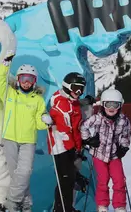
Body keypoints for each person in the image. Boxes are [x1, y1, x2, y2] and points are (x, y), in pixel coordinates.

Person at [0, 53, 50, 212]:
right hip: (9, 138)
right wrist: (5, 65)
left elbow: (39, 123)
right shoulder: (9, 93)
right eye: (23, 78)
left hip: (28, 141)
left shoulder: (37, 100)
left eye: (30, 79)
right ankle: (25, 206)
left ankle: (11, 204)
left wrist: (45, 120)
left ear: (34, 81)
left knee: (24, 173)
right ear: (18, 79)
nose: (26, 82)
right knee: (15, 176)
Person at [81, 89, 131, 212]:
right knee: (102, 181)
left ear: (120, 105)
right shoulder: (97, 118)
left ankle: (119, 206)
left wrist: (124, 147)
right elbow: (84, 127)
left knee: (119, 180)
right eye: (108, 104)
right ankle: (102, 206)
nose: (111, 108)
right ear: (103, 105)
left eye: (115, 105)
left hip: (114, 155)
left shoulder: (123, 120)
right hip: (99, 154)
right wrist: (88, 140)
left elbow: (126, 134)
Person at [47, 72, 86, 212]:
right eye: (76, 88)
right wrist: (72, 150)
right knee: (66, 180)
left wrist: (78, 147)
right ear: (68, 86)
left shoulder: (73, 102)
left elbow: (76, 128)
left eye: (82, 88)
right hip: (61, 147)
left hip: (70, 147)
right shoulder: (60, 103)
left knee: (69, 179)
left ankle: (64, 207)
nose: (79, 92)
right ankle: (62, 208)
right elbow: (64, 131)